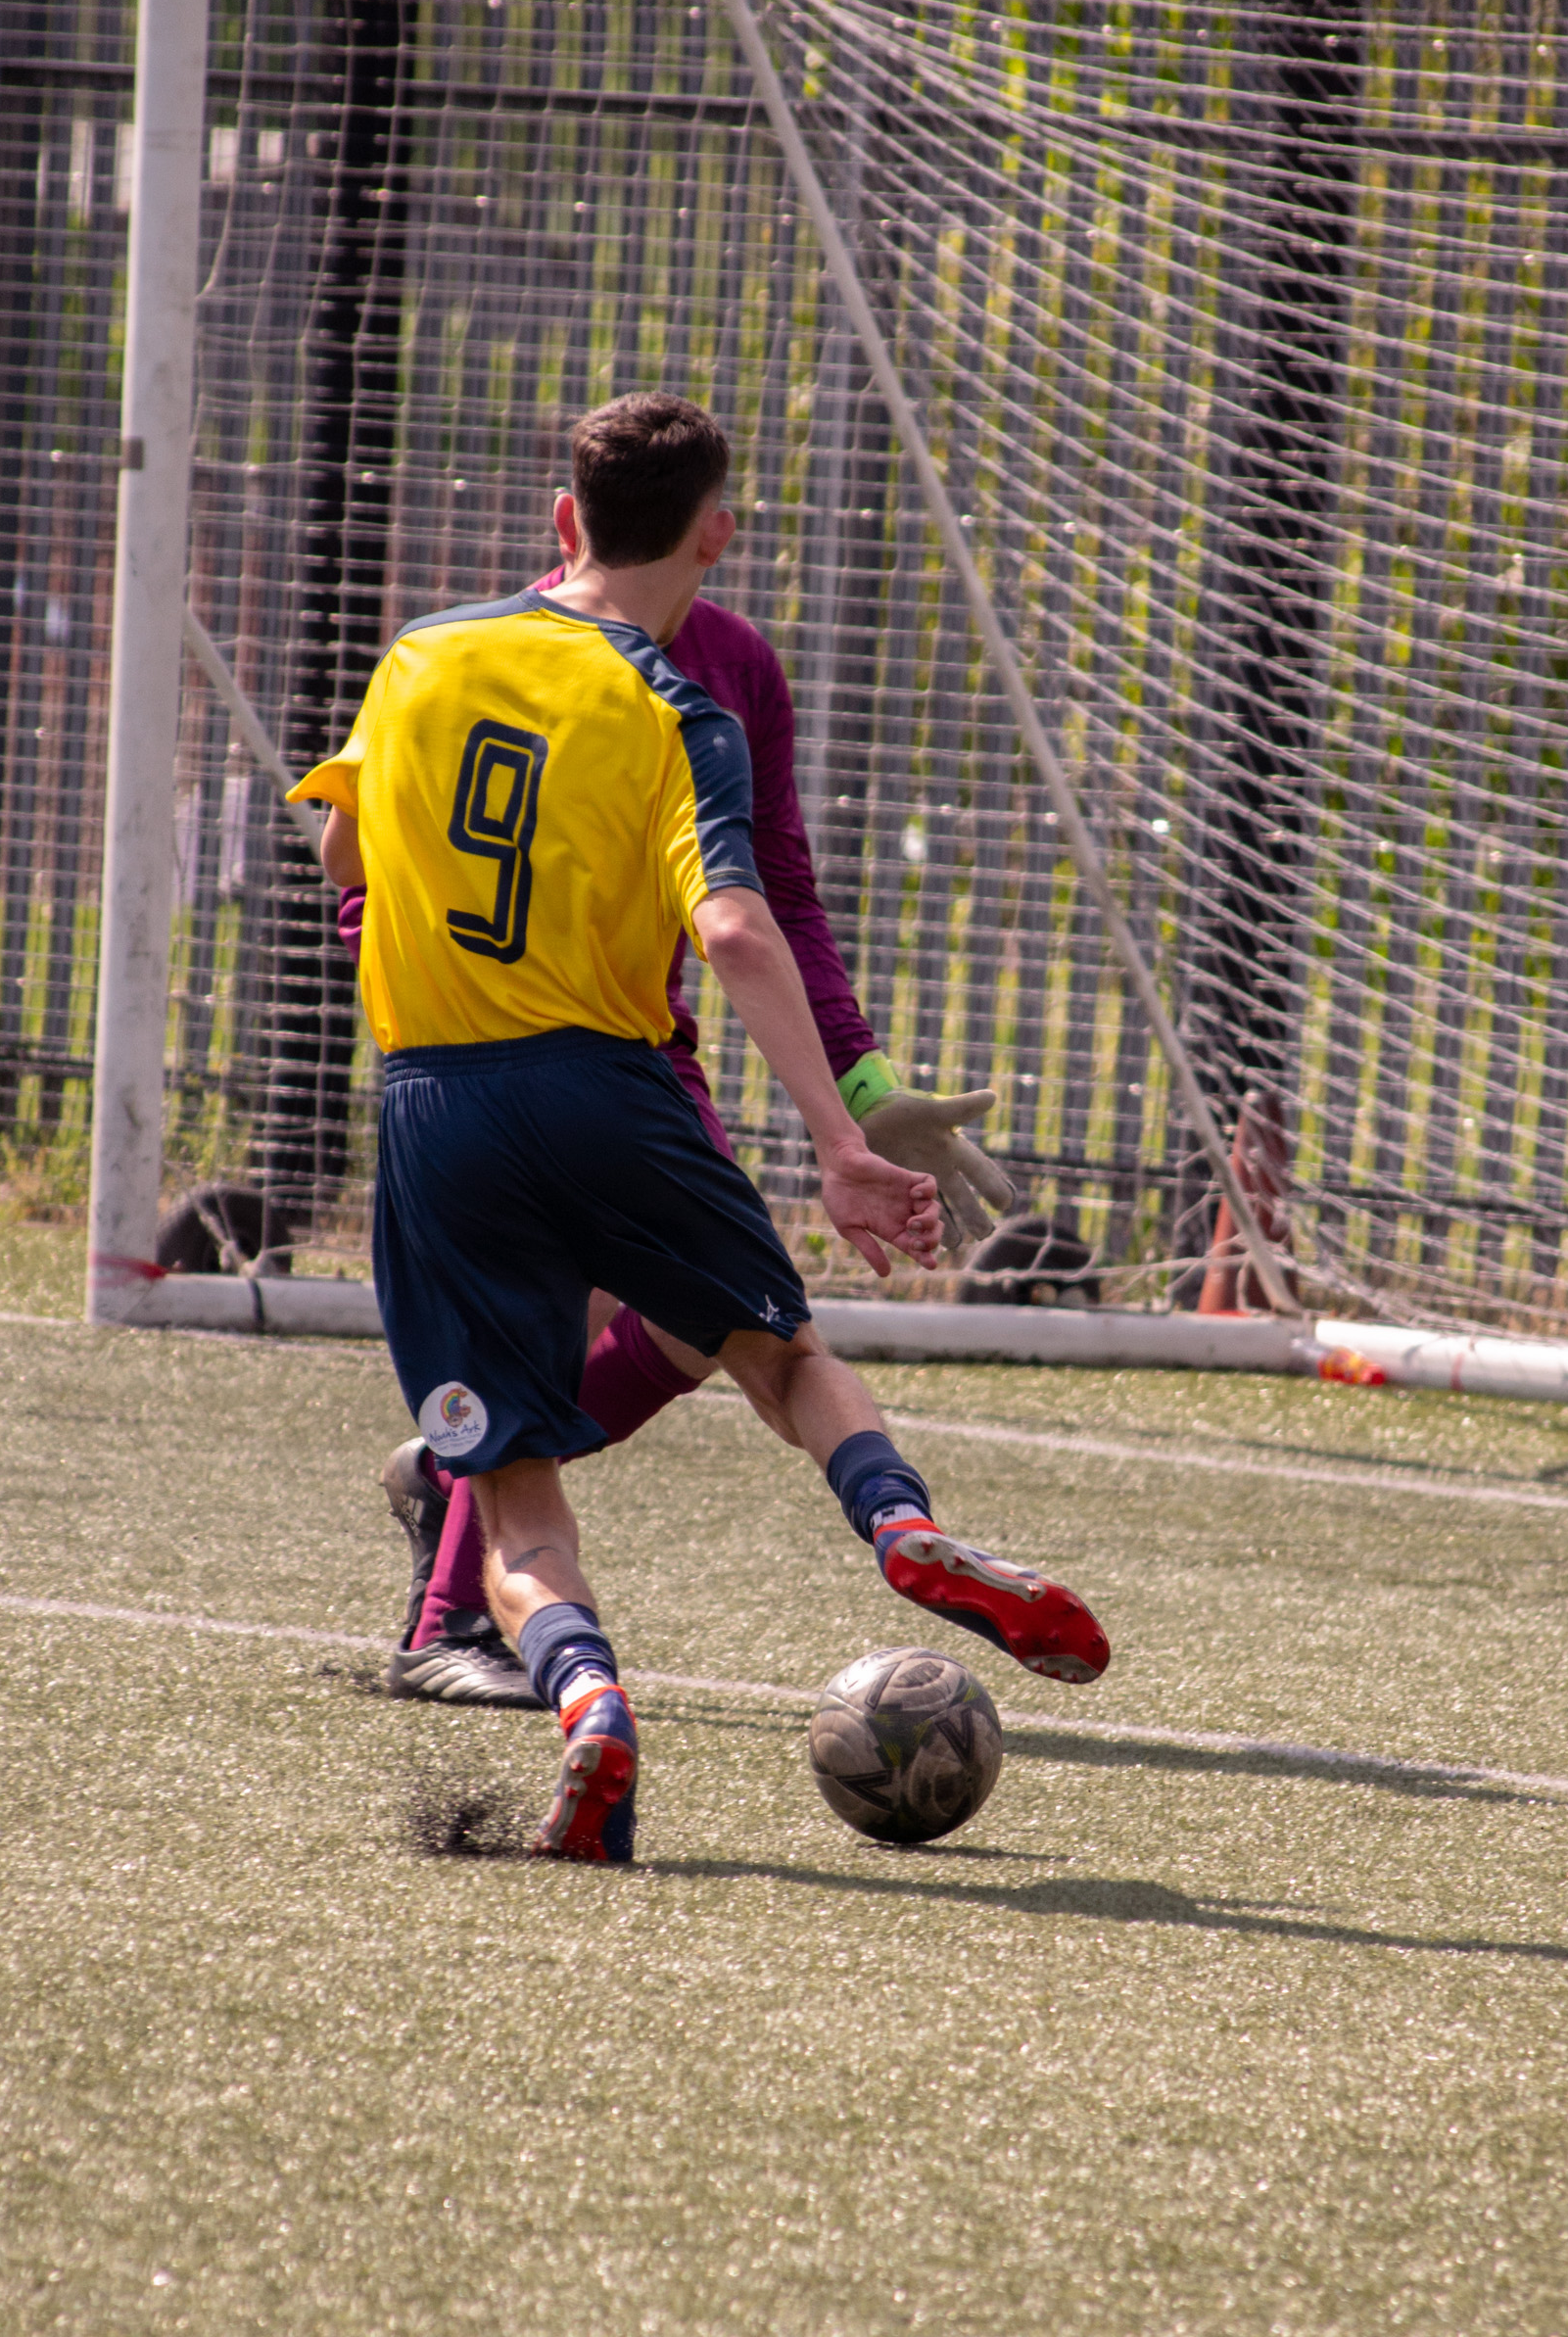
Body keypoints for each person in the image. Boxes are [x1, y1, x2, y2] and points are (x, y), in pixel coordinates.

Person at [293, 392, 1109, 1864]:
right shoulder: (682, 705)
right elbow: (736, 926)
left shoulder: (420, 654)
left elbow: (345, 850)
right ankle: (901, 1528)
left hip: (435, 1108)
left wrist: (411, 968)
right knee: (782, 1356)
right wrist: (843, 1138)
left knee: (517, 1510)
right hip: (612, 1086)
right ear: (715, 534)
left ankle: (592, 1705)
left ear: (565, 520)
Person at [361, 497, 1020, 1707]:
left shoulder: (723, 667)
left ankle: (462, 1518)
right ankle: (451, 1614)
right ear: (713, 526)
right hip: (519, 1065)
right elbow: (382, 872)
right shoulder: (493, 656)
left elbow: (776, 897)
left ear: (570, 512)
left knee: (684, 1330)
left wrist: (862, 1086)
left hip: (627, 1059)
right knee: (713, 1336)